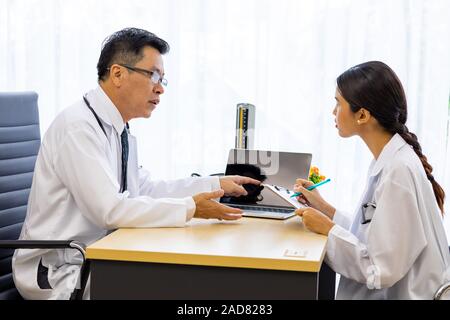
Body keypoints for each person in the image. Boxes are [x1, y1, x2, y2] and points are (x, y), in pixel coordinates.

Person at [12, 28, 259, 300]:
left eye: (163, 79)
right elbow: (108, 210)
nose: (160, 88)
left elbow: (144, 188)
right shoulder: (78, 128)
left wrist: (214, 185)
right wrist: (191, 208)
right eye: (153, 75)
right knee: (179, 283)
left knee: (187, 276)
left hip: (100, 253)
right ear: (118, 74)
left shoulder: (118, 128)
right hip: (60, 269)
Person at [294, 61, 450, 299]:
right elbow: (371, 233)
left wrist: (328, 228)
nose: (333, 111)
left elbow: (379, 270)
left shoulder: (398, 171)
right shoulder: (391, 159)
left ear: (363, 115)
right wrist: (325, 209)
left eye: (338, 102)